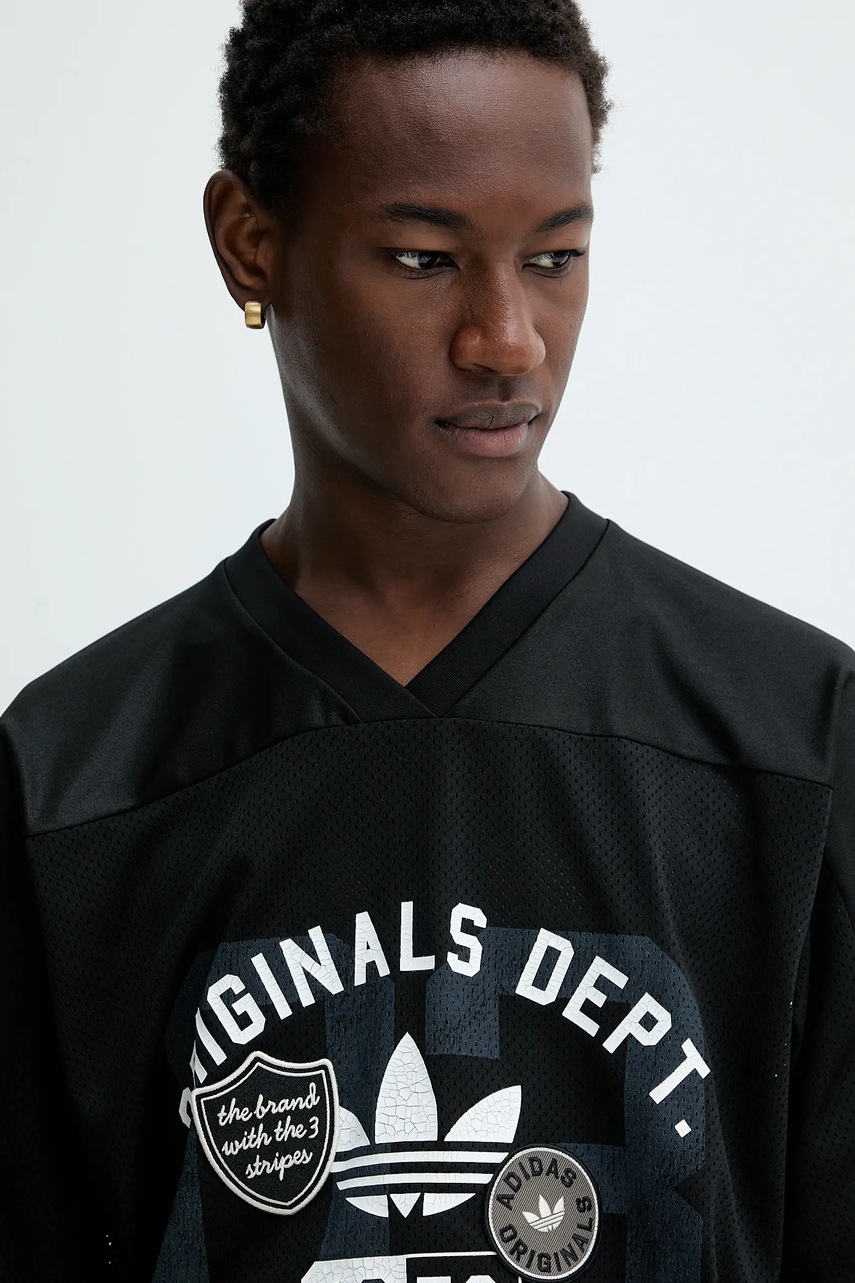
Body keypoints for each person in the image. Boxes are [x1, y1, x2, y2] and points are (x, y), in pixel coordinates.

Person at [1, 0, 852, 1279]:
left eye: (554, 256)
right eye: (421, 257)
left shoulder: (793, 739)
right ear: (250, 243)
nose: (507, 339)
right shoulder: (75, 785)